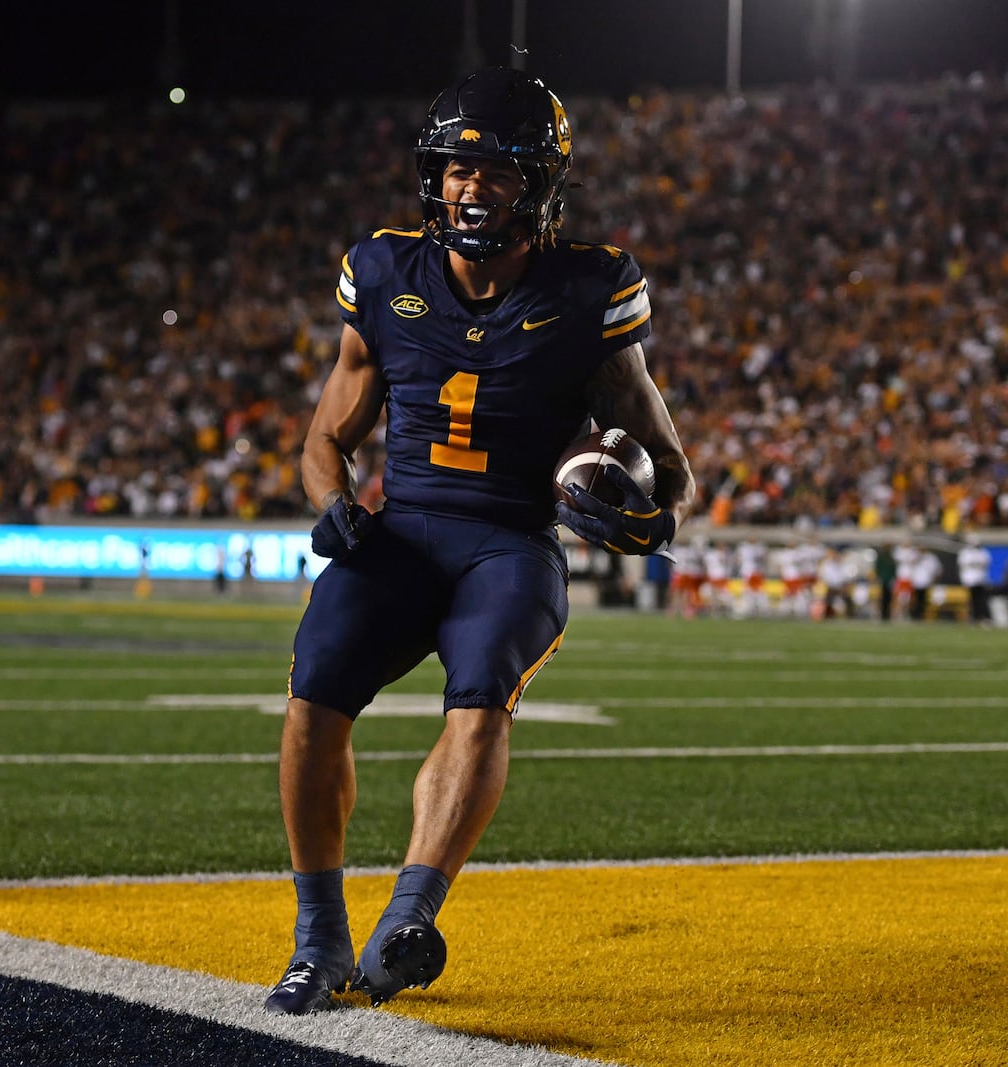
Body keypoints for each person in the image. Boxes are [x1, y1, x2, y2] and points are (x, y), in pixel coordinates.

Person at [264, 67, 694, 1015]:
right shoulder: (382, 272)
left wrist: (645, 516)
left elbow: (668, 462)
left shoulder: (590, 288)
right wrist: (332, 501)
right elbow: (323, 438)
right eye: (456, 167)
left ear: (540, 187)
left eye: (496, 171)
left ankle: (408, 915)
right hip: (402, 533)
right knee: (310, 697)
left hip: (508, 542)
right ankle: (318, 935)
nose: (470, 187)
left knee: (481, 697)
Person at [957, 535, 992, 625]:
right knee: (970, 600)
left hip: (980, 580)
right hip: (969, 581)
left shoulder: (983, 552)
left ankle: (981, 617)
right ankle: (971, 617)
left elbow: (986, 562)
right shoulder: (965, 552)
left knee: (980, 600)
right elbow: (963, 564)